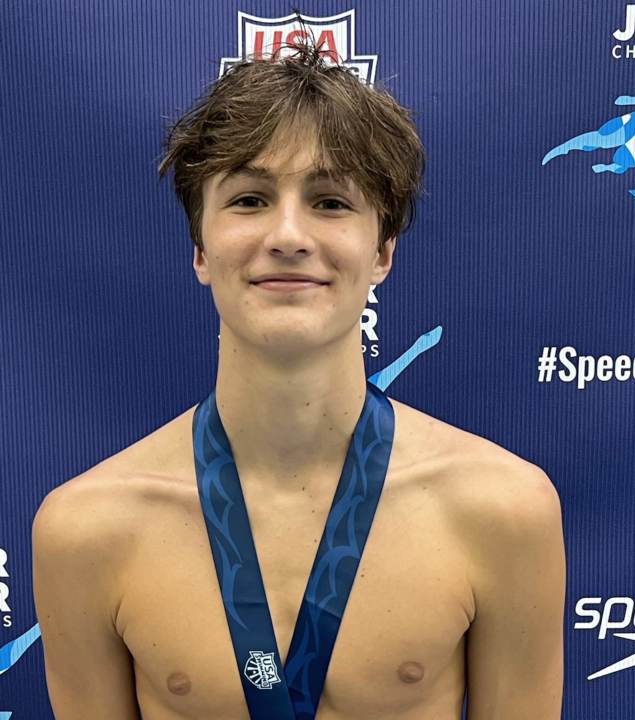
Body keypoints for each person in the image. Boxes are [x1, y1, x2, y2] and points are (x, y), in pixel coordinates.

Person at [31, 32, 565, 720]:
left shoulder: (503, 511)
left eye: (330, 202)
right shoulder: (85, 531)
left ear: (382, 252)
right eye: (249, 199)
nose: (287, 235)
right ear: (200, 249)